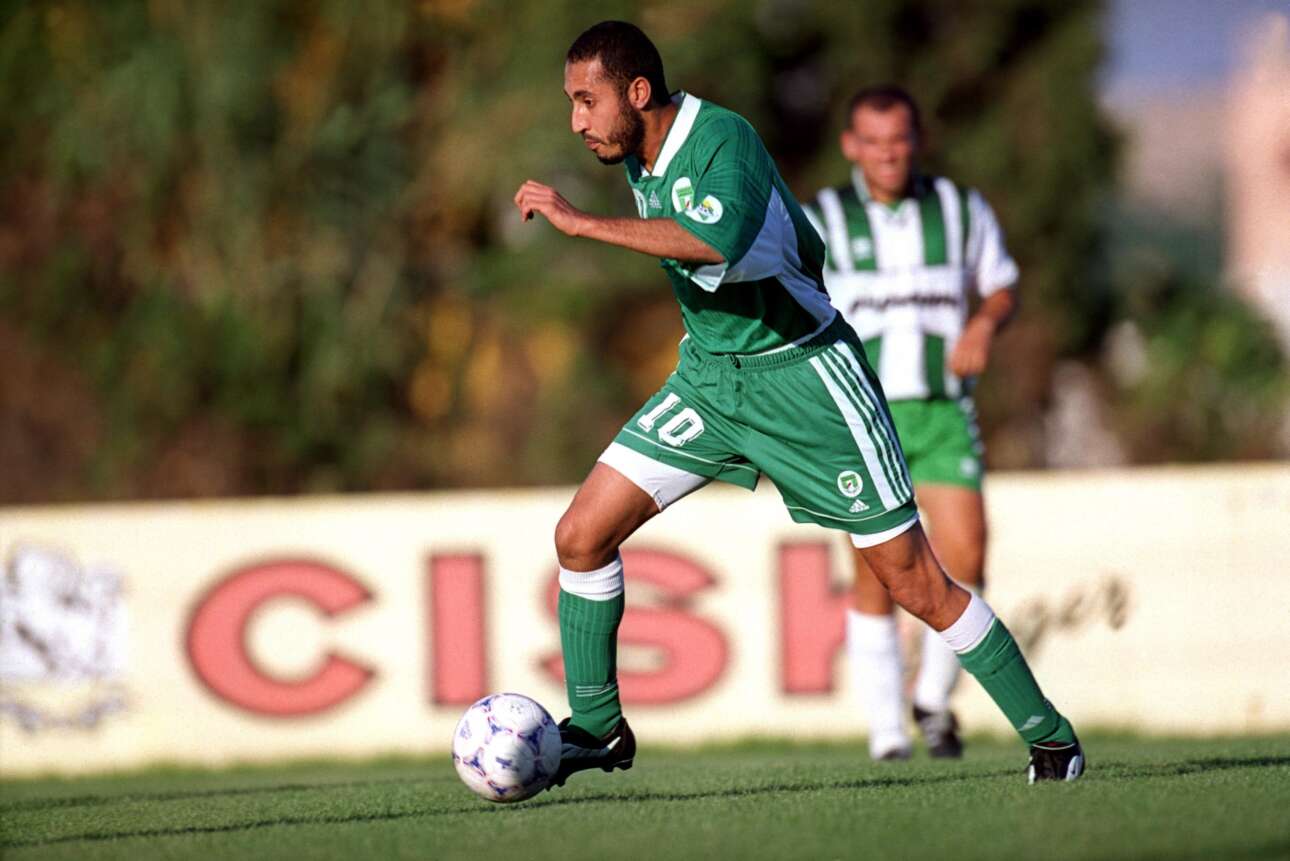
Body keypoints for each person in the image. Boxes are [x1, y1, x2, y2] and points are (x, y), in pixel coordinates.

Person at [514, 20, 1084, 786]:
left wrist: (581, 223)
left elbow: (715, 242)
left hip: (808, 380)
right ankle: (598, 728)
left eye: (587, 101)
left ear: (638, 92)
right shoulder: (637, 150)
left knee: (914, 580)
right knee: (581, 536)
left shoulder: (724, 140)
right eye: (572, 103)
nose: (576, 120)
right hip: (713, 379)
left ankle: (1051, 738)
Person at [801, 86, 1017, 761]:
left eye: (898, 139)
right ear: (851, 146)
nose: (887, 153)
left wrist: (983, 323)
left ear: (917, 140)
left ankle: (931, 697)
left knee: (967, 555)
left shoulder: (959, 208)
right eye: (873, 141)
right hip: (863, 412)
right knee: (877, 571)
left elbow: (1001, 284)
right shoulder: (822, 219)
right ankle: (887, 732)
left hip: (942, 409)